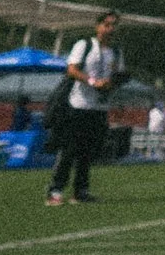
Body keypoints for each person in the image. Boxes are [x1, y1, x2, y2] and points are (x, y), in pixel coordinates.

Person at [46, 15, 118, 205]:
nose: (109, 29)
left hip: (99, 107)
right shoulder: (85, 45)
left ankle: (81, 191)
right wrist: (93, 81)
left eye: (113, 26)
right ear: (98, 26)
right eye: (106, 25)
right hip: (78, 105)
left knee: (88, 152)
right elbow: (71, 69)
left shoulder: (115, 51)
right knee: (69, 150)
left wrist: (111, 84)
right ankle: (55, 190)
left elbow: (116, 75)